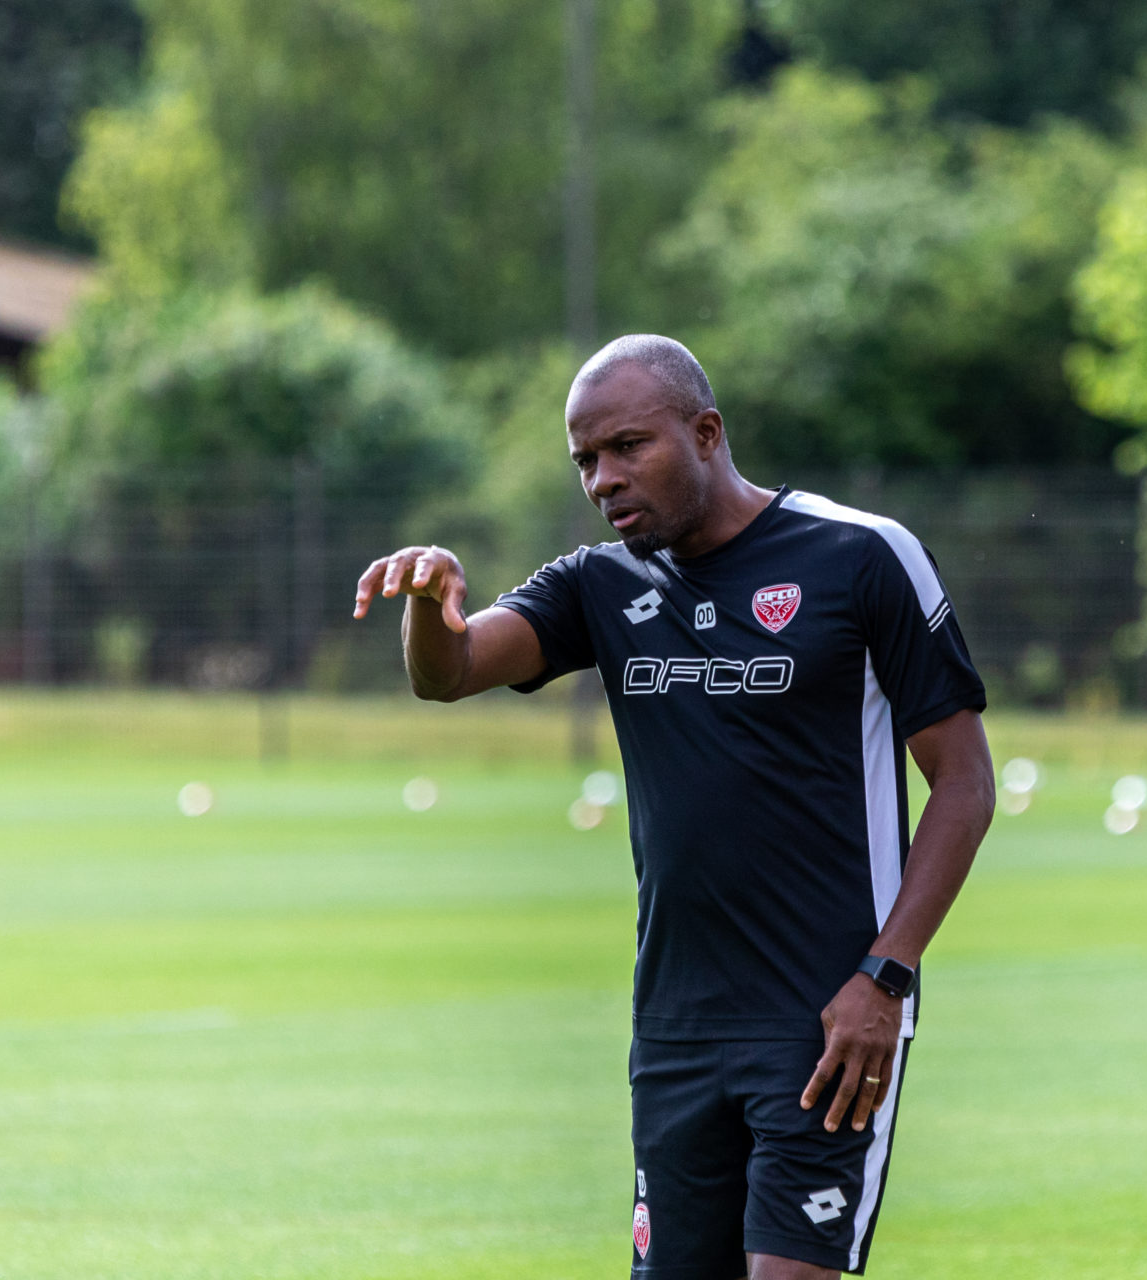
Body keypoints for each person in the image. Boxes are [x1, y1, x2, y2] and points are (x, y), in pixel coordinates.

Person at [353, 334, 995, 1279]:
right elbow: (448, 673)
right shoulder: (599, 585)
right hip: (677, 1028)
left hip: (827, 1020)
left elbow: (966, 785)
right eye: (585, 461)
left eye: (626, 447)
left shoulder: (862, 556)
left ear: (705, 433)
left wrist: (884, 980)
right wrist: (426, 598)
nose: (603, 479)